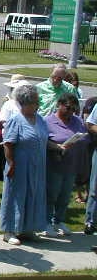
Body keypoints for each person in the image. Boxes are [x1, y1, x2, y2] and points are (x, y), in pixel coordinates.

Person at [0, 84, 48, 245]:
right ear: (25, 103)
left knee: (34, 194)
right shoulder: (16, 120)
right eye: (35, 102)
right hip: (19, 164)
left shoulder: (40, 119)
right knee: (16, 196)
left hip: (37, 165)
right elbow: (8, 143)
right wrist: (11, 163)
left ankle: (28, 229)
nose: (38, 104)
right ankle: (9, 231)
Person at [44, 93, 87, 237]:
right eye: (68, 108)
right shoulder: (48, 122)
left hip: (71, 165)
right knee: (51, 194)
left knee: (65, 195)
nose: (70, 112)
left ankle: (59, 221)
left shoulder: (77, 121)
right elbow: (43, 141)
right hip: (54, 164)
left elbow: (84, 136)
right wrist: (56, 147)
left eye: (73, 109)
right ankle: (47, 222)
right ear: (59, 105)